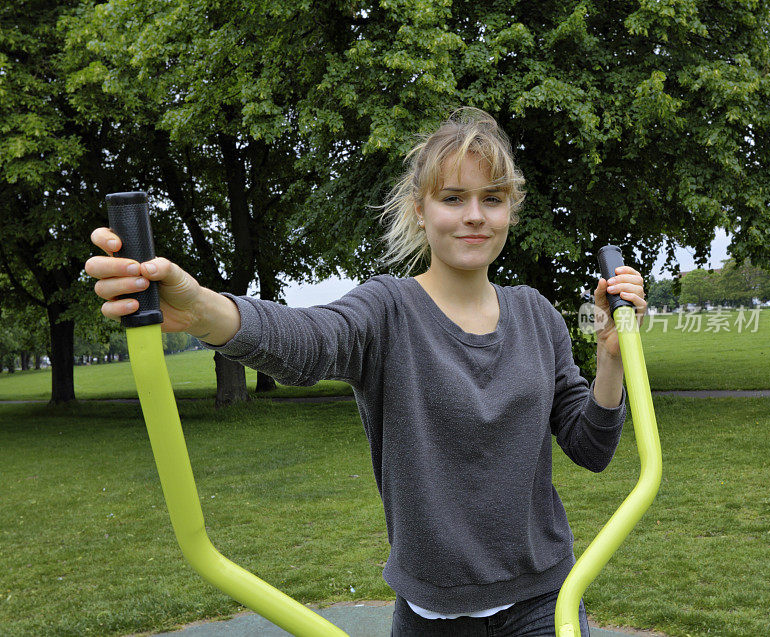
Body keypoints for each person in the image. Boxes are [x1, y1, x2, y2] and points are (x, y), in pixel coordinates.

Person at [86, 106, 647, 636]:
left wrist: (610, 360)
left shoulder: (536, 314)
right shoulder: (387, 311)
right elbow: (306, 342)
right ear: (421, 210)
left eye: (493, 198)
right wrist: (205, 311)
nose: (475, 215)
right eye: (454, 197)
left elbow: (590, 448)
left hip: (545, 601)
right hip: (433, 614)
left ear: (510, 211)